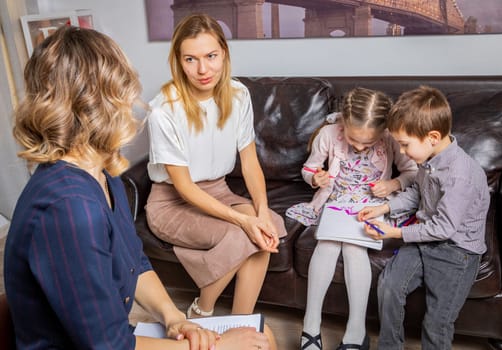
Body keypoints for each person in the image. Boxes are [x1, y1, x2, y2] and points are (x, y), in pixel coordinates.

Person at [4, 25, 272, 350]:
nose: (133, 102)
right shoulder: (69, 208)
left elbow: (135, 262)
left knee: (259, 338)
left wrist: (173, 316)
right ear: (100, 103)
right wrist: (219, 347)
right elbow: (110, 346)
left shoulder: (104, 174)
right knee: (259, 342)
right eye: (124, 91)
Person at [145, 13, 287, 322]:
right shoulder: (164, 110)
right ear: (178, 61)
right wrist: (243, 220)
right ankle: (202, 310)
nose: (203, 69)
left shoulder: (238, 95)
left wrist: (260, 212)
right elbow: (183, 187)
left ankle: (240, 324)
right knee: (243, 234)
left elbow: (249, 162)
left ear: (224, 53)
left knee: (265, 227)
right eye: (191, 59)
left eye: (211, 56)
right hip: (172, 203)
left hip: (218, 192)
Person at [358, 86, 490, 350]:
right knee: (389, 286)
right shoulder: (429, 159)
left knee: (437, 322)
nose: (403, 153)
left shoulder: (459, 175)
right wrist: (385, 208)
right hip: (424, 238)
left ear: (432, 137)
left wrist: (394, 233)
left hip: (457, 251)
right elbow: (419, 194)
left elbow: (443, 228)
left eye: (405, 145)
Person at [287, 87, 418, 350]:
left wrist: (393, 184)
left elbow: (412, 172)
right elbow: (309, 168)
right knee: (326, 244)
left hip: (372, 205)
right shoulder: (328, 134)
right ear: (344, 124)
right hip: (336, 201)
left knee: (354, 247)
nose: (358, 147)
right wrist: (315, 177)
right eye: (353, 139)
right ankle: (310, 326)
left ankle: (355, 332)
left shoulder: (391, 137)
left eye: (367, 144)